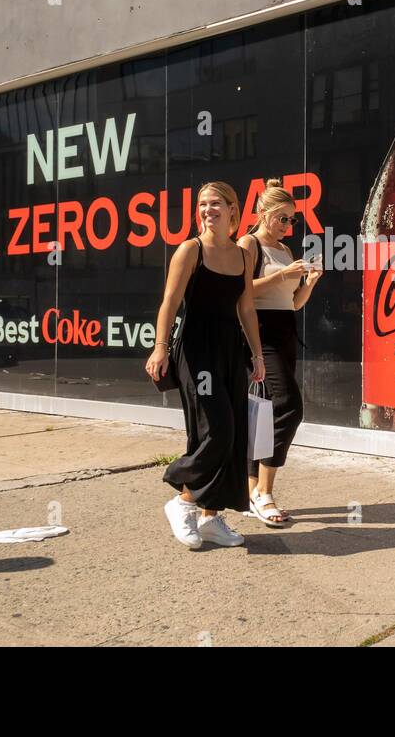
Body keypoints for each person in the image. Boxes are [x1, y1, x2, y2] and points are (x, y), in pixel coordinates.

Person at [146, 182, 266, 549]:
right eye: (202, 204)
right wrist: (160, 347)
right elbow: (169, 302)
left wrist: (257, 355)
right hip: (197, 351)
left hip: (231, 351)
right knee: (218, 430)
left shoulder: (244, 256)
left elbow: (246, 308)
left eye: (215, 203)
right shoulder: (190, 250)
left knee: (234, 436)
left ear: (233, 209)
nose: (207, 209)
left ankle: (212, 518)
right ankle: (182, 503)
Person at [237, 180, 322, 526]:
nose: (288, 226)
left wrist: (309, 283)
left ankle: (249, 488)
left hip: (286, 331)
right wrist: (282, 275)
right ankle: (264, 493)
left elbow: (294, 303)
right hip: (260, 333)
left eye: (291, 220)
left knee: (264, 412)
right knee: (289, 406)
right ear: (264, 213)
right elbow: (241, 291)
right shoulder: (249, 243)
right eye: (283, 219)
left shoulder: (286, 251)